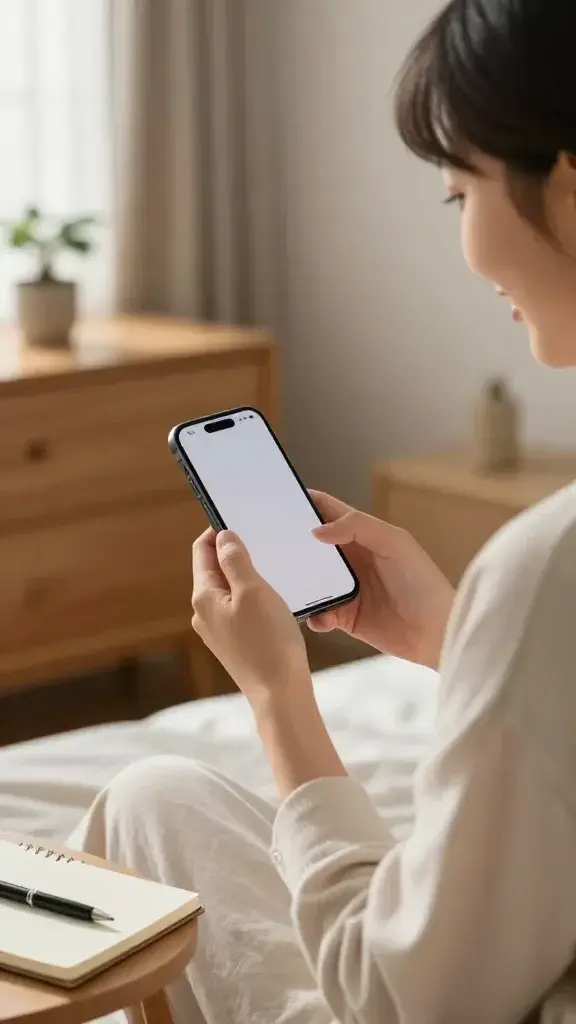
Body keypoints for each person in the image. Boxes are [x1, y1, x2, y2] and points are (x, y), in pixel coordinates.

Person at [71, 1, 576, 1021]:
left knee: (145, 808)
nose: (465, 244)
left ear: (568, 187)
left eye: (459, 193)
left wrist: (275, 693)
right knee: (158, 793)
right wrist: (455, 638)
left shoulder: (551, 559)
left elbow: (395, 1000)